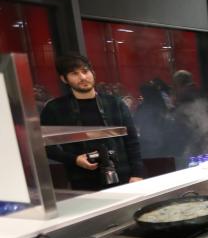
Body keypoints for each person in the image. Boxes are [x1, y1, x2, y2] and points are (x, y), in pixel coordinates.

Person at [40, 53, 144, 190]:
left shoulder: (115, 103)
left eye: (85, 71)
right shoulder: (54, 108)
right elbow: (43, 145)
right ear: (64, 79)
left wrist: (137, 174)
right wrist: (74, 159)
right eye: (74, 73)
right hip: (82, 180)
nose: (82, 77)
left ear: (92, 73)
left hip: (124, 176)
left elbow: (132, 141)